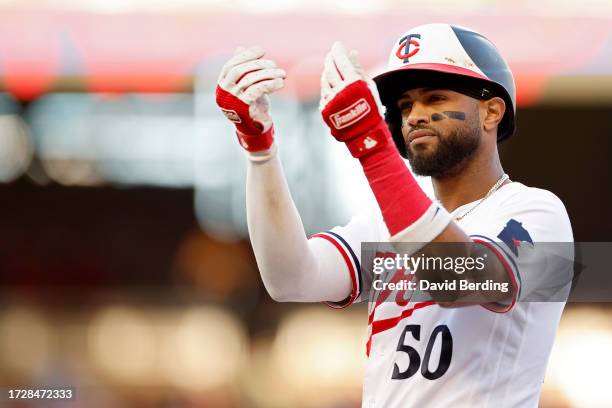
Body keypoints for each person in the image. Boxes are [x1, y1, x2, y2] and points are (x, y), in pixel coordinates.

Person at [215, 23, 573, 407]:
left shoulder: (537, 211)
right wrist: (260, 150)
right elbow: (289, 279)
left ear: (491, 111)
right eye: (405, 105)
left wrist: (371, 145)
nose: (415, 115)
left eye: (435, 98)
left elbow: (458, 281)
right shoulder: (386, 226)